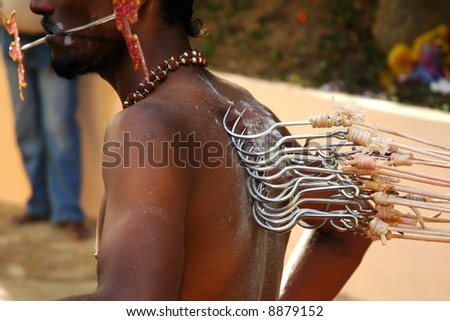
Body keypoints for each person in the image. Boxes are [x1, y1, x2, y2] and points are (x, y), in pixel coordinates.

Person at [29, 0, 371, 300]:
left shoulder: (147, 127)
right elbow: (355, 221)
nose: (38, 5)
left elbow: (133, 303)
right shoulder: (252, 113)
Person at [1, 0, 88, 239]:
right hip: (12, 37)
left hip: (54, 36)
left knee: (58, 125)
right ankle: (38, 204)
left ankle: (68, 211)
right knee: (25, 124)